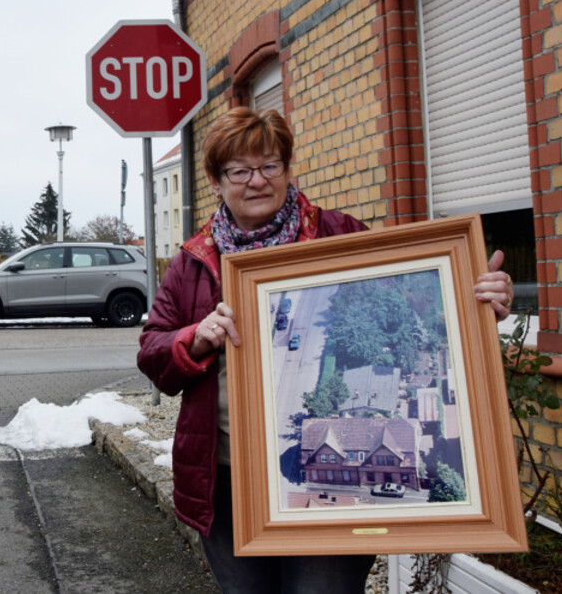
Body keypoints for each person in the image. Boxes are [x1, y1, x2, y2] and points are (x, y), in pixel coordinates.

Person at [136, 107, 513, 593]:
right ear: (215, 180)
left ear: (287, 169)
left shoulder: (339, 234)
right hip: (226, 473)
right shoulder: (192, 262)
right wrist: (194, 337)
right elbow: (153, 354)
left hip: (328, 481)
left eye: (270, 166)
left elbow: (412, 302)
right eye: (241, 171)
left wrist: (473, 299)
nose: (257, 181)